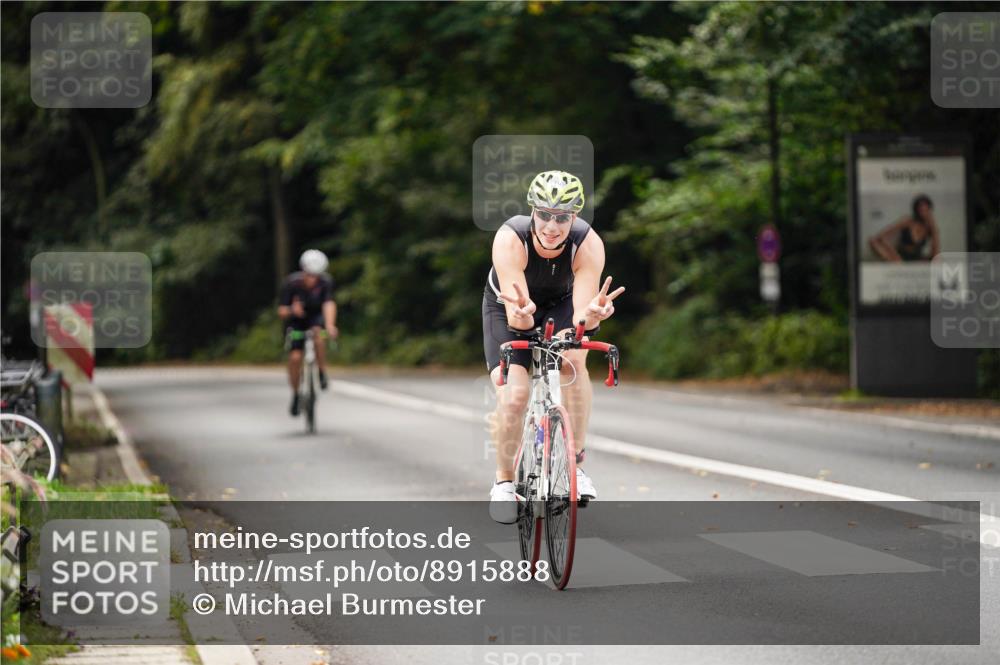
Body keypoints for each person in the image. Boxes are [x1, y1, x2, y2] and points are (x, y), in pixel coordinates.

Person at [483, 170, 624, 524]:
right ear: (532, 211)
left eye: (562, 217)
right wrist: (526, 317)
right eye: (544, 214)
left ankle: (575, 464)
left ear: (574, 216)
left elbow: (580, 320)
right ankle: (503, 483)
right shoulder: (510, 238)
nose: (552, 225)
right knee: (514, 395)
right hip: (509, 306)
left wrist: (592, 316)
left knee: (574, 359)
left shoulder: (588, 244)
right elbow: (519, 320)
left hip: (560, 302)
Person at [278, 249, 339, 416]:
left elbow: (328, 304)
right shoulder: (291, 283)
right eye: (310, 275)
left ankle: (321, 372)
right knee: (295, 358)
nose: (313, 279)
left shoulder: (325, 282)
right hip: (296, 321)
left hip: (315, 318)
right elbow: (281, 311)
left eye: (316, 275)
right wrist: (292, 310)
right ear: (303, 271)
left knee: (319, 334)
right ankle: (296, 394)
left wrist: (330, 325)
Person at [868, 194, 940, 262]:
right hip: (899, 257)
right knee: (872, 241)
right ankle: (897, 262)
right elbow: (880, 237)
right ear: (916, 210)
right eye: (921, 210)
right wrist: (892, 252)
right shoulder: (908, 221)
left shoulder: (930, 226)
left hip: (916, 258)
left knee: (936, 260)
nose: (924, 213)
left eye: (926, 210)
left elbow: (935, 253)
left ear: (930, 210)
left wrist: (934, 228)